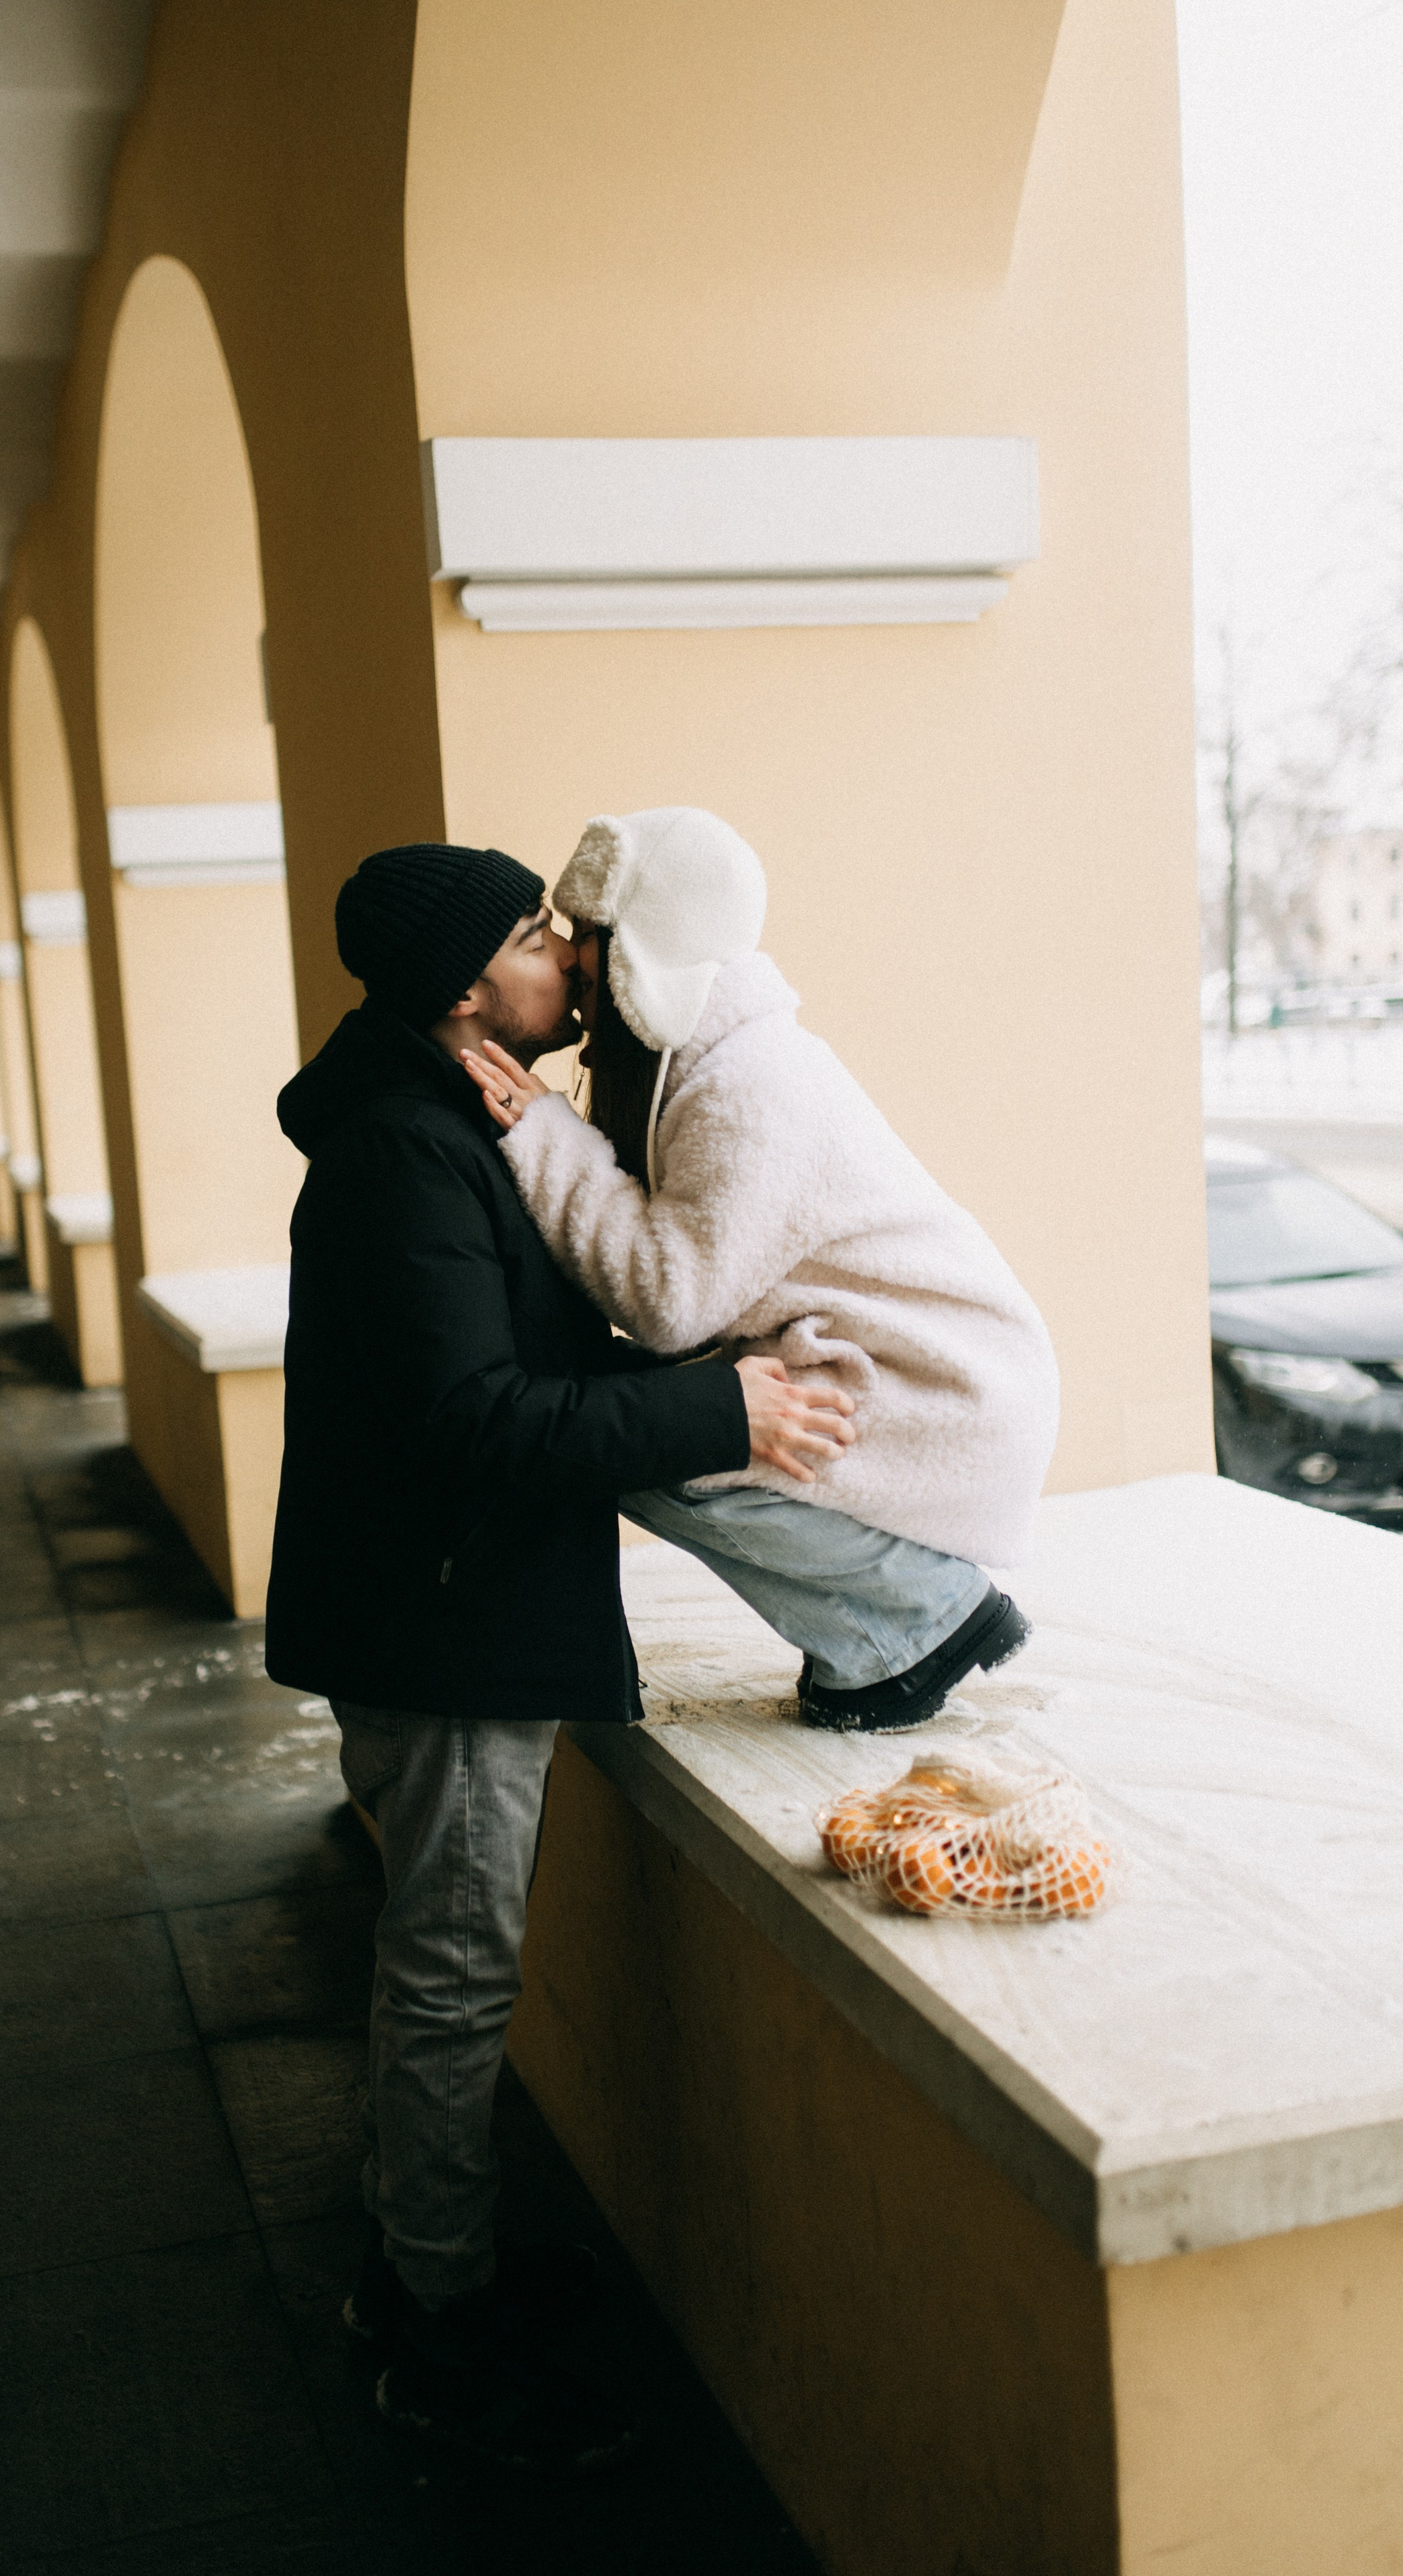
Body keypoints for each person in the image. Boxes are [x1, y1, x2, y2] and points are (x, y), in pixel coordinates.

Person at [265, 839, 853, 2473]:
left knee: (441, 1962)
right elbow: (474, 1420)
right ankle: (432, 2327)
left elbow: (518, 1345)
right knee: (449, 1973)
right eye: (536, 933)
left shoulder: (453, 1119)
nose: (569, 955)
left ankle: (422, 2260)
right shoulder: (404, 1152)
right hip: (439, 1624)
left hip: (439, 1606)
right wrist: (720, 1408)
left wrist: (710, 1354)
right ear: (467, 988)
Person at [461, 806, 1061, 1734]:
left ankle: (916, 1616)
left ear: (646, 947)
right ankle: (887, 1625)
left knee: (654, 1447)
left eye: (591, 936)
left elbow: (668, 1303)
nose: (573, 958)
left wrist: (551, 1140)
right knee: (642, 1422)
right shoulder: (706, 1058)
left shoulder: (748, 1083)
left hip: (941, 1385)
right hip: (888, 1360)